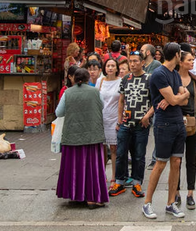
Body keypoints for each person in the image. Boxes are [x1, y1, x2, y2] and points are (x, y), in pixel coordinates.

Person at [143, 42, 190, 219]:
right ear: (177, 55)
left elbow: (183, 100)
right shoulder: (159, 74)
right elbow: (176, 98)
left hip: (178, 121)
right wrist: (178, 97)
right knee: (161, 163)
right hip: (164, 123)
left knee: (176, 162)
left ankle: (170, 203)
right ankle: (147, 202)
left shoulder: (174, 74)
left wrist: (178, 97)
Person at [55, 68, 108, 207]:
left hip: (72, 134)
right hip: (92, 134)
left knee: (73, 167)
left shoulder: (68, 93)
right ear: (87, 79)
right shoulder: (96, 92)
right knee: (92, 168)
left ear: (73, 79)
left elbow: (58, 112)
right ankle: (92, 198)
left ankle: (75, 195)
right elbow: (101, 106)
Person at [113, 51, 153, 198]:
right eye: (131, 61)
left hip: (141, 124)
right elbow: (121, 100)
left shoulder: (149, 79)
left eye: (136, 61)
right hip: (125, 123)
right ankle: (120, 182)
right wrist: (119, 120)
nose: (133, 64)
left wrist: (147, 116)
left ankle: (137, 182)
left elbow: (155, 101)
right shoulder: (125, 79)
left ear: (143, 62)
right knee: (121, 153)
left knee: (139, 155)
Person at [176, 51, 196, 210]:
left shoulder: (194, 79)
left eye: (193, 60)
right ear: (180, 62)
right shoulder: (173, 78)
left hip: (193, 121)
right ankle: (176, 191)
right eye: (189, 60)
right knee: (177, 160)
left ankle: (190, 193)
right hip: (176, 122)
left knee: (192, 159)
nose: (192, 62)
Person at [100, 59, 122, 193]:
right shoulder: (101, 81)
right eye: (108, 65)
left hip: (115, 118)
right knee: (102, 148)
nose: (110, 68)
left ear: (116, 68)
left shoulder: (120, 81)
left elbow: (122, 101)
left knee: (114, 148)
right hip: (102, 118)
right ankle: (101, 175)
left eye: (113, 65)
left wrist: (120, 120)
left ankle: (114, 177)